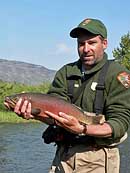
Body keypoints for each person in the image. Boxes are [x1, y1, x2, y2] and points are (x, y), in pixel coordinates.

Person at [10, 18, 130, 173]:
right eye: (81, 44)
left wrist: (82, 128)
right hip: (63, 156)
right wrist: (34, 114)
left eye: (91, 43)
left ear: (104, 44)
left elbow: (119, 124)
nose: (85, 49)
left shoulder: (118, 75)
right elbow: (53, 117)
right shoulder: (65, 72)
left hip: (98, 157)